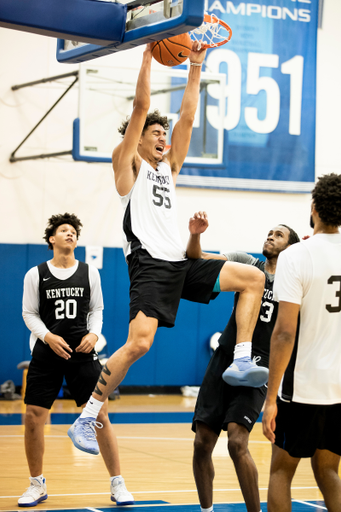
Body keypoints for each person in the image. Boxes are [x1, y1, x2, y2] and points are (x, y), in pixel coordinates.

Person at [68, 42, 268, 455]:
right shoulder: (127, 166)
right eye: (156, 134)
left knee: (253, 276)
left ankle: (242, 359)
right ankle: (88, 415)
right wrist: (147, 55)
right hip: (149, 267)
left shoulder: (168, 170)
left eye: (164, 134)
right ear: (137, 140)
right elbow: (141, 107)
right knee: (140, 343)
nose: (163, 137)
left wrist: (195, 64)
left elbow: (189, 117)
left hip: (179, 260)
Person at [188, 212, 299, 512]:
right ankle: (206, 510)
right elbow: (197, 257)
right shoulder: (248, 264)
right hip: (227, 355)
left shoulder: (296, 282)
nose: (270, 236)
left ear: (291, 248)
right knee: (201, 443)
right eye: (269, 232)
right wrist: (196, 234)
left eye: (278, 234)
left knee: (238, 443)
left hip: (261, 365)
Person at [19, 213, 133, 507]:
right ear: (51, 239)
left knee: (99, 417)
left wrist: (94, 334)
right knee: (33, 417)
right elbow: (29, 313)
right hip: (47, 352)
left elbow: (97, 309)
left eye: (73, 231)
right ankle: (36, 484)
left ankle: (117, 483)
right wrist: (47, 336)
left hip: (83, 353)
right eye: (63, 230)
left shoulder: (89, 271)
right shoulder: (36, 274)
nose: (70, 234)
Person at [262, 173, 341, 512]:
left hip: (301, 388)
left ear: (314, 209)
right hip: (339, 388)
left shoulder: (296, 255)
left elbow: (283, 333)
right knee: (329, 470)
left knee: (281, 471)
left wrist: (270, 397)